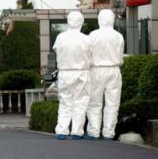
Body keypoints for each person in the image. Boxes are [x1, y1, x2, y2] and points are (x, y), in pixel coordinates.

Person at [85, 9, 124, 140]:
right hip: (114, 70)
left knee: (94, 102)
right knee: (113, 103)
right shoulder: (118, 36)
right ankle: (109, 133)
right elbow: (120, 54)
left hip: (96, 70)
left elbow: (87, 54)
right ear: (112, 20)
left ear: (99, 20)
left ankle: (93, 131)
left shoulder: (93, 35)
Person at [53, 11, 91, 140]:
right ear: (81, 22)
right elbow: (91, 56)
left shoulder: (60, 37)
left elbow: (57, 52)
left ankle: (62, 130)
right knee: (80, 103)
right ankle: (76, 131)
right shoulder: (86, 39)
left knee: (65, 102)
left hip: (64, 72)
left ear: (68, 21)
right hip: (81, 73)